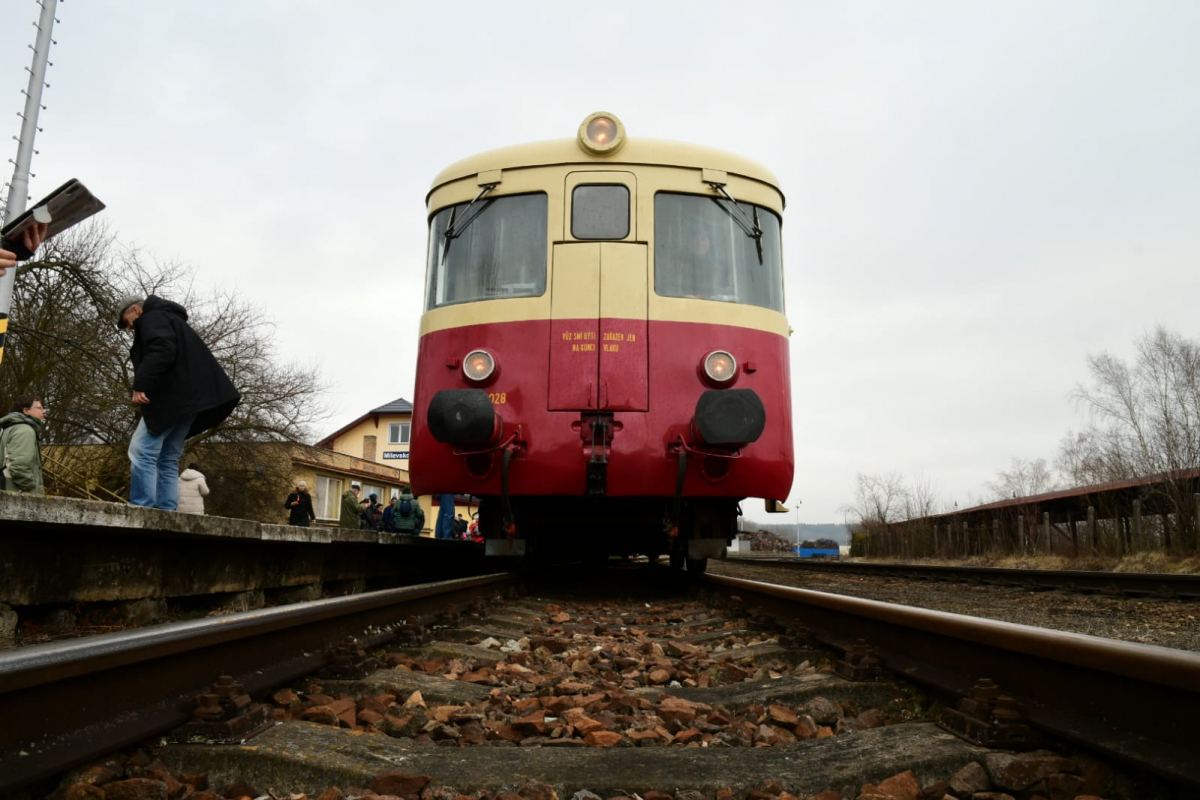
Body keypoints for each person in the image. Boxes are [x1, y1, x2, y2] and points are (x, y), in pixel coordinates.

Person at [117, 295, 240, 510]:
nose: (129, 329)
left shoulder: (152, 318)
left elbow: (162, 348)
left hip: (172, 399)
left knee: (141, 450)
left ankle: (141, 508)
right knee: (168, 456)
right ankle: (167, 510)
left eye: (126, 322)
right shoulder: (171, 318)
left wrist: (141, 383)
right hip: (190, 400)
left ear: (135, 310)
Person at [0, 394, 45, 493]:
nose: (44, 411)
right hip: (16, 495)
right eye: (39, 408)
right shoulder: (25, 430)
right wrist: (31, 490)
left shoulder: (9, 428)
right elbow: (19, 466)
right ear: (26, 410)